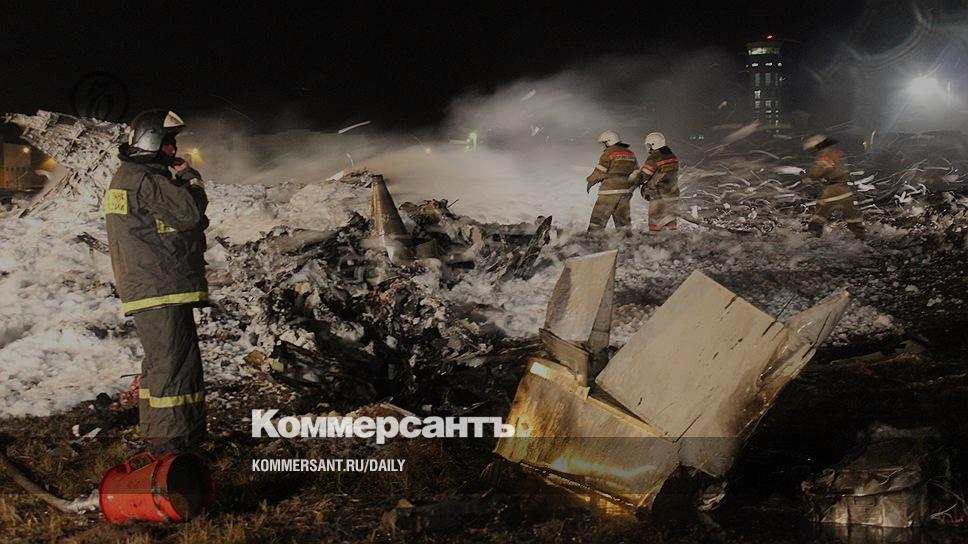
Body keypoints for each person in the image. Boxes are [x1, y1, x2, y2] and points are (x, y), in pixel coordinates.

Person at [104, 109, 210, 454]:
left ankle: (160, 434)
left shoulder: (130, 176)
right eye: (168, 143)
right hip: (160, 285)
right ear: (151, 141)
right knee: (175, 365)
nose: (173, 149)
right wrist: (191, 179)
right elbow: (189, 214)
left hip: (151, 285)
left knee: (161, 363)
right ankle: (173, 445)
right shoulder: (145, 179)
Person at [802, 134, 865, 239]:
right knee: (852, 216)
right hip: (845, 190)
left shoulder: (825, 155)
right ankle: (861, 237)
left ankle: (812, 238)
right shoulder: (835, 153)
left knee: (819, 215)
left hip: (832, 191)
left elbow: (821, 168)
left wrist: (809, 176)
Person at [585, 130, 639, 230]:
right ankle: (625, 238)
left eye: (605, 143)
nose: (604, 146)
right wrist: (631, 187)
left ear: (609, 141)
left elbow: (600, 171)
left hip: (609, 191)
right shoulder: (630, 153)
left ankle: (593, 237)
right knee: (623, 222)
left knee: (598, 219)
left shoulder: (609, 152)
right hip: (625, 192)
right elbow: (636, 173)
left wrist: (590, 181)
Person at [632, 132, 680, 232]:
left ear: (653, 144)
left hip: (658, 195)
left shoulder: (655, 157)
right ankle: (672, 238)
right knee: (670, 220)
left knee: (655, 221)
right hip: (673, 193)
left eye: (648, 145)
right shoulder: (672, 155)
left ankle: (655, 238)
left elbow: (644, 175)